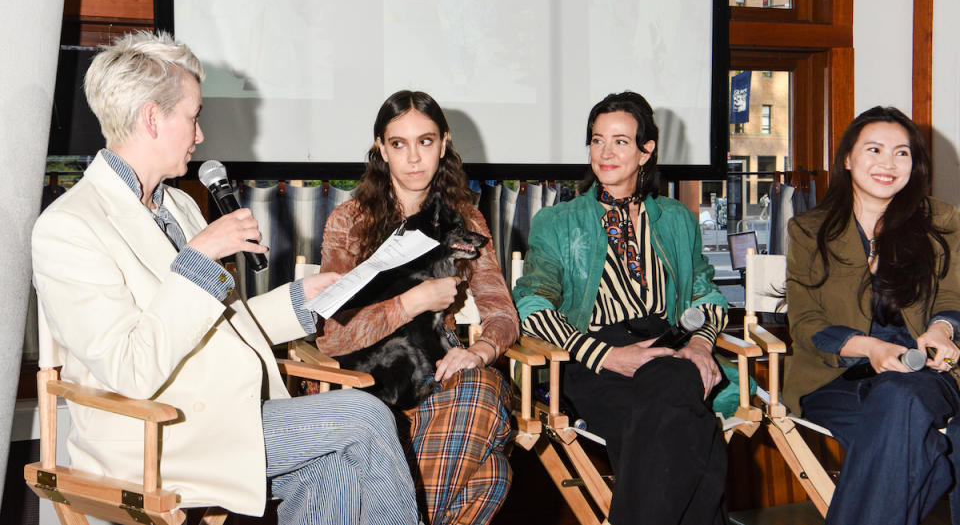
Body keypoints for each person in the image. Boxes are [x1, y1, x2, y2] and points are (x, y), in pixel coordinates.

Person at [30, 31, 418, 525]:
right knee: (363, 418)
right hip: (157, 434)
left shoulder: (179, 204)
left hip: (224, 412)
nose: (200, 136)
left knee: (333, 462)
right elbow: (129, 370)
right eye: (193, 116)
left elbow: (221, 322)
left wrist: (299, 301)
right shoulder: (69, 226)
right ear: (152, 118)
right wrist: (197, 261)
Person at [513, 91, 731, 525]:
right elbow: (531, 302)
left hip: (671, 347)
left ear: (646, 150)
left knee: (672, 388)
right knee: (696, 429)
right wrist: (608, 355)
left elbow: (708, 294)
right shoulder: (557, 222)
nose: (605, 153)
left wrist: (702, 346)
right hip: (593, 357)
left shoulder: (675, 218)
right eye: (597, 140)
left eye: (620, 141)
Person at [314, 90, 518, 525]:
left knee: (481, 387)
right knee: (490, 474)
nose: (413, 158)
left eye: (425, 142)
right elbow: (331, 335)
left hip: (439, 385)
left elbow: (501, 314)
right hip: (367, 391)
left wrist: (478, 352)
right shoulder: (350, 223)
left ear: (444, 143)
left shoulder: (466, 222)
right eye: (398, 144)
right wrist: (411, 302)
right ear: (381, 149)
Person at [784, 106, 960, 525]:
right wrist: (870, 348)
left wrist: (942, 328)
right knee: (926, 456)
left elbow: (953, 293)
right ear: (847, 158)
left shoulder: (941, 221)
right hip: (837, 381)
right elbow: (806, 322)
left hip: (926, 376)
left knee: (899, 395)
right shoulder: (810, 229)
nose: (888, 163)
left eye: (902, 153)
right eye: (875, 149)